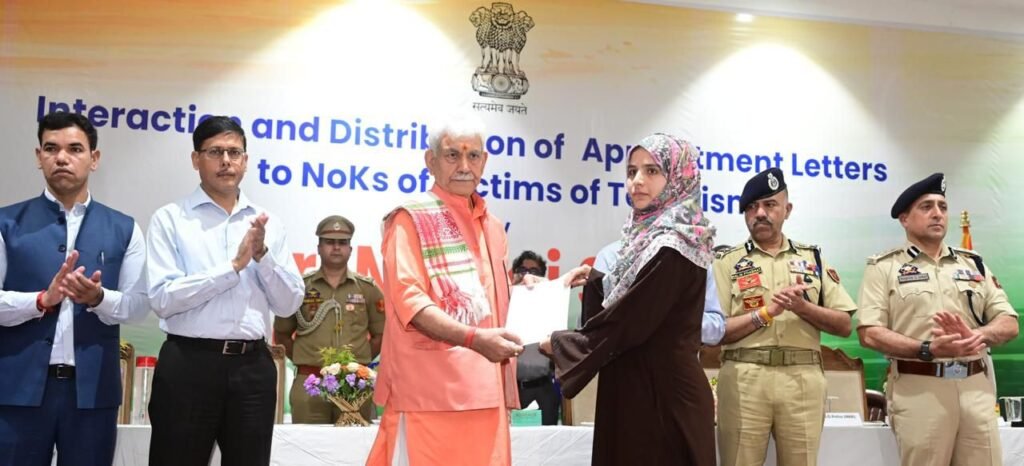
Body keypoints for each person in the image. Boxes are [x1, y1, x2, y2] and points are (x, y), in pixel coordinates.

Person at [541, 133, 718, 465]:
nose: (637, 181)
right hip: (638, 387)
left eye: (652, 171)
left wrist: (561, 344)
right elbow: (639, 302)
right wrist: (597, 281)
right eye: (631, 171)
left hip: (663, 397)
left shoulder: (673, 244)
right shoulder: (645, 239)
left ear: (678, 177)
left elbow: (630, 322)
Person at [145, 116, 305, 466]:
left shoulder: (267, 223)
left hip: (253, 368)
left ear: (246, 161)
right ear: (195, 159)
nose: (226, 161)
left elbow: (289, 303)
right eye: (215, 152)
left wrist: (262, 256)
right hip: (189, 364)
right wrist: (232, 267)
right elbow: (162, 298)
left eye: (234, 152)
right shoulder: (170, 219)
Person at [0, 111, 149, 465]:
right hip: (17, 393)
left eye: (75, 149)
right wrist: (40, 300)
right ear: (39, 157)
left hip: (92, 397)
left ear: (94, 158)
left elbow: (139, 305)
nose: (62, 158)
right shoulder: (6, 223)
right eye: (51, 148)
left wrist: (98, 298)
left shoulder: (125, 228)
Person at [857, 172, 1018, 466]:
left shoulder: (973, 263)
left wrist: (980, 335)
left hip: (975, 388)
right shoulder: (884, 267)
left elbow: (1008, 321)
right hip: (920, 389)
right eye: (926, 207)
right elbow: (869, 332)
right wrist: (927, 349)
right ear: (904, 219)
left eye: (942, 207)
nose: (937, 214)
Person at [712, 167, 857, 466]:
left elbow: (845, 325)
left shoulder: (813, 258)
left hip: (802, 381)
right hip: (744, 379)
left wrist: (803, 308)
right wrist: (765, 313)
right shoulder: (726, 262)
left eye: (770, 205)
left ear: (787, 210)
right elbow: (715, 331)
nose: (760, 213)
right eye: (751, 207)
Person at [273, 214, 385, 424]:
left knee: (354, 443)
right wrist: (304, 359)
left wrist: (358, 363)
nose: (336, 248)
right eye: (329, 242)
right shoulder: (300, 288)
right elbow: (281, 333)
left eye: (342, 243)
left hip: (354, 386)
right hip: (310, 383)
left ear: (350, 249)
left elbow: (382, 335)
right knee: (307, 442)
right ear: (319, 247)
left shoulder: (367, 289)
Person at [591, 239, 725, 345]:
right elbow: (596, 330)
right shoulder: (611, 255)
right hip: (621, 365)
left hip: (676, 364)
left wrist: (675, 319)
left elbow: (716, 328)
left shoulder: (696, 257)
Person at [510, 250, 560, 425]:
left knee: (548, 438)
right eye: (522, 270)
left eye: (534, 271)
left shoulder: (550, 306)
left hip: (543, 389)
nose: (527, 276)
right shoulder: (504, 304)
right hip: (513, 391)